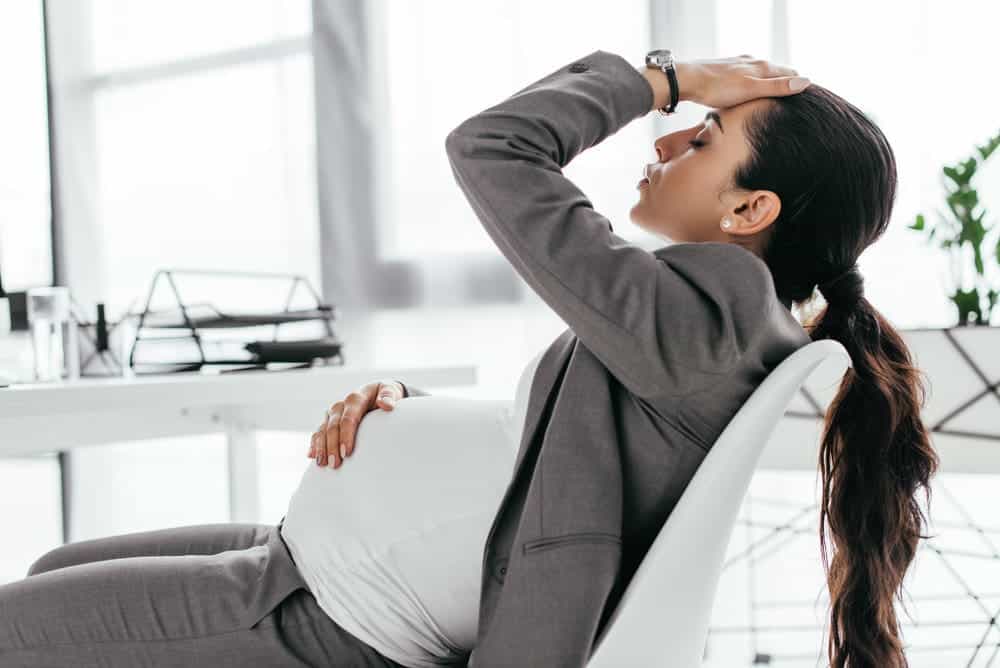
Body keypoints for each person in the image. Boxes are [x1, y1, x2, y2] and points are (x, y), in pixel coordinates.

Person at [0, 48, 938, 668]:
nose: (665, 138)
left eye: (701, 138)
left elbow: (493, 148)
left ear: (749, 212)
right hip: (309, 560)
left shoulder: (706, 322)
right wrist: (401, 407)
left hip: (327, 610)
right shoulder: (703, 325)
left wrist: (665, 74)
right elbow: (553, 450)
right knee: (50, 568)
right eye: (683, 119)